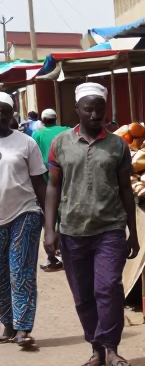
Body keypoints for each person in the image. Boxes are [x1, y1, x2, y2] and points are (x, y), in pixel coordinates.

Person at [43, 81, 139, 366]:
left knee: (108, 287)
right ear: (77, 110)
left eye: (100, 109)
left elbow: (126, 190)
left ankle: (111, 349)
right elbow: (53, 188)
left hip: (109, 228)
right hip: (72, 230)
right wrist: (50, 229)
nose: (95, 115)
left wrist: (132, 231)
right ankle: (96, 349)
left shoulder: (118, 145)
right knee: (83, 294)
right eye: (89, 109)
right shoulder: (60, 143)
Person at [0, 92, 46, 348]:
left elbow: (40, 183)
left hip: (24, 213)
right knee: (1, 273)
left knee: (21, 271)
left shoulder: (26, 143)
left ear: (12, 115)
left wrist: (51, 221)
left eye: (4, 110)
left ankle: (23, 328)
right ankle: (7, 324)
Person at [32, 109, 68, 272]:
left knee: (50, 209)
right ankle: (63, 250)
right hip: (66, 172)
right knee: (63, 206)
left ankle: (53, 253)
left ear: (43, 120)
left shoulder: (37, 134)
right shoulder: (66, 130)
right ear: (55, 119)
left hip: (47, 174)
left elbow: (35, 157)